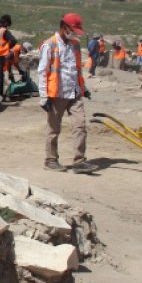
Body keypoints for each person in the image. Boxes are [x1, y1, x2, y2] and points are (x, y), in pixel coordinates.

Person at [37, 13, 97, 173]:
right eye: (73, 29)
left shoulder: (75, 45)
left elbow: (75, 69)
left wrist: (83, 88)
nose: (75, 33)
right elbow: (42, 71)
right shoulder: (49, 45)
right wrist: (43, 96)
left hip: (74, 92)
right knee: (53, 129)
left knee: (80, 125)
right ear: (64, 27)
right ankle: (50, 160)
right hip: (56, 94)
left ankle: (79, 161)